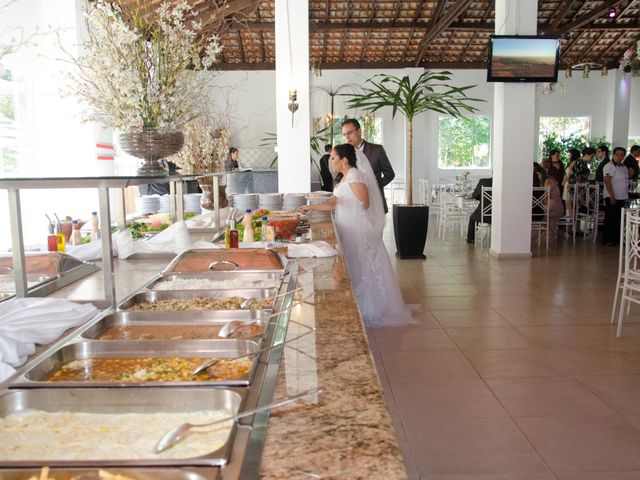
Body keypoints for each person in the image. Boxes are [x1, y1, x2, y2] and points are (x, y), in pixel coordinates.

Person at [300, 143, 414, 327]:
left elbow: (366, 203)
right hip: (347, 227)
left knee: (363, 265)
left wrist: (349, 204)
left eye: (333, 157)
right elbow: (334, 202)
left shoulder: (355, 175)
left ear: (344, 160)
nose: (331, 161)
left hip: (358, 228)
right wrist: (310, 207)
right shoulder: (345, 177)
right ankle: (356, 303)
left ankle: (371, 308)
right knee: (353, 265)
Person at [341, 119, 395, 213]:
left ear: (359, 131)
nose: (347, 137)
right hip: (353, 205)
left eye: (349, 133)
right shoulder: (345, 154)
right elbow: (339, 177)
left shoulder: (377, 150)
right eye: (344, 134)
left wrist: (374, 186)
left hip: (375, 203)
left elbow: (389, 174)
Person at [603, 147, 629, 246]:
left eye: (622, 155)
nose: (619, 157)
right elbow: (607, 181)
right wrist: (612, 196)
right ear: (613, 155)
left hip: (622, 196)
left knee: (619, 218)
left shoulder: (624, 167)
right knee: (611, 218)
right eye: (617, 154)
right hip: (612, 196)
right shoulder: (609, 166)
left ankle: (617, 238)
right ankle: (608, 239)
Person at [466, 177, 492, 244]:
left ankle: (470, 239)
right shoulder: (503, 183)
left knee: (472, 218)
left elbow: (475, 195)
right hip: (499, 216)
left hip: (484, 215)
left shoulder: (483, 181)